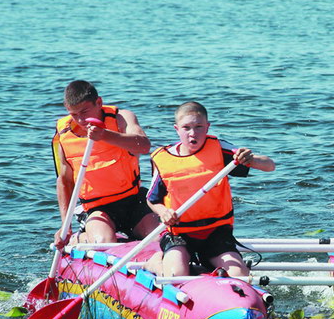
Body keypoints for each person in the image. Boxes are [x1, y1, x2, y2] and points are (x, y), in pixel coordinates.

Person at [145, 101, 274, 278]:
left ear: (207, 127)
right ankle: (156, 263)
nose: (193, 133)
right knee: (175, 275)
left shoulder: (220, 149)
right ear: (177, 129)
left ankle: (208, 270)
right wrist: (164, 212)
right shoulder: (162, 158)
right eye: (186, 127)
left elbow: (270, 166)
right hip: (179, 232)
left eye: (199, 127)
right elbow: (152, 199)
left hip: (216, 231)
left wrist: (251, 159)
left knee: (240, 275)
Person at [52, 80, 158, 248]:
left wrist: (104, 135)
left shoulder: (122, 117)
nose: (81, 119)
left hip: (133, 199)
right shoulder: (63, 133)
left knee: (158, 238)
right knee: (104, 243)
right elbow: (65, 181)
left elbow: (144, 146)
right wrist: (66, 225)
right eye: (74, 114)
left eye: (85, 112)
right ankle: (80, 238)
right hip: (97, 208)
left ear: (99, 102)